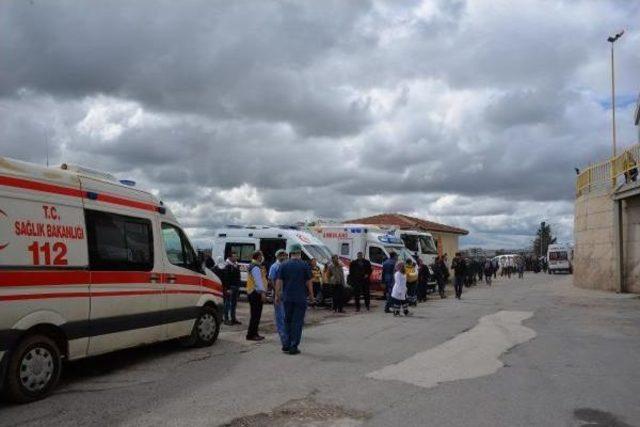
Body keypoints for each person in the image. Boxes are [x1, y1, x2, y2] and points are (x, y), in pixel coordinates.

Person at [275, 244, 314, 355]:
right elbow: (308, 282)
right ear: (299, 253)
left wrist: (277, 295)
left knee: (287, 320)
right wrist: (311, 296)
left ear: (290, 253)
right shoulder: (304, 265)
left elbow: (279, 281)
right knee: (297, 322)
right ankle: (293, 346)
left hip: (287, 298)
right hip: (300, 298)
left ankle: (286, 344)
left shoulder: (283, 265)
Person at [268, 249, 288, 348]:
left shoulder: (286, 265)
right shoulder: (274, 266)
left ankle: (286, 336)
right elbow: (271, 280)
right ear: (277, 256)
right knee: (280, 316)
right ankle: (283, 338)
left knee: (285, 315)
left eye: (284, 255)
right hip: (278, 293)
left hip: (286, 293)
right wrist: (276, 292)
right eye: (281, 255)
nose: (283, 257)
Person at [246, 251, 267, 341]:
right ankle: (252, 335)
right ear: (258, 257)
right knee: (255, 315)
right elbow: (258, 281)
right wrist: (262, 293)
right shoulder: (255, 267)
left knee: (255, 315)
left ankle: (254, 333)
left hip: (253, 292)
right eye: (261, 256)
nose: (262, 257)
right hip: (255, 293)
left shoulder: (254, 265)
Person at [222, 252, 241, 326]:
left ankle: (233, 318)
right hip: (230, 287)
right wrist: (227, 288)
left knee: (234, 304)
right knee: (228, 304)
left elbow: (238, 276)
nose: (236, 257)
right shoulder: (227, 266)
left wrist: (238, 285)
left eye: (236, 256)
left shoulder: (236, 265)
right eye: (234, 256)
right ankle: (226, 319)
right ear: (230, 258)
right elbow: (226, 278)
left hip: (236, 286)